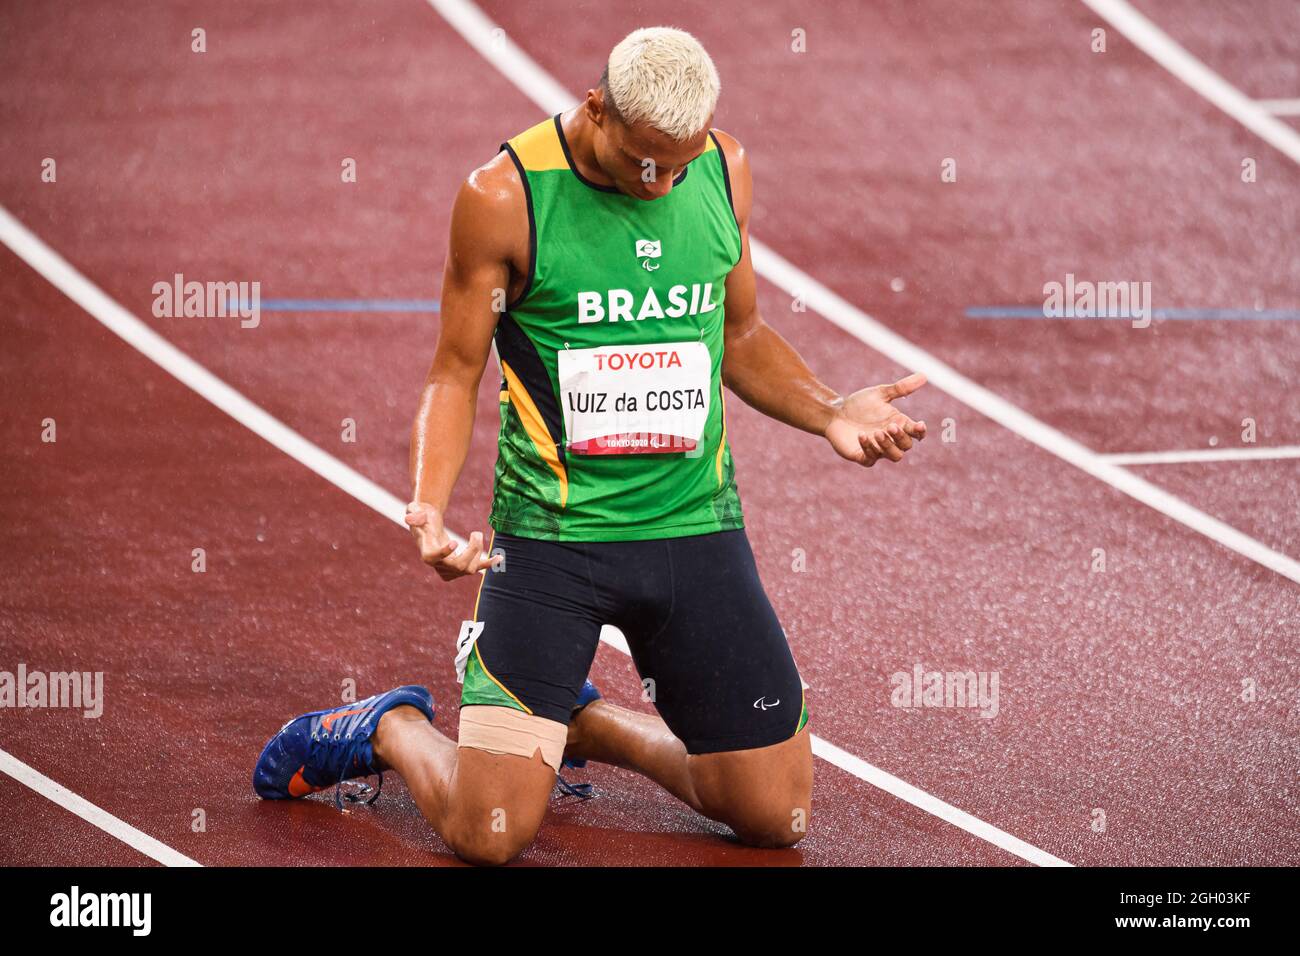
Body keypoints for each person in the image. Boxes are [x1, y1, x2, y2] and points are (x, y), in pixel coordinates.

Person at [253, 26, 926, 865]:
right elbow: (454, 373)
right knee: (488, 836)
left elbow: (743, 336)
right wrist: (428, 507)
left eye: (677, 166)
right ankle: (391, 727)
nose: (660, 184)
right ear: (596, 106)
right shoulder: (506, 196)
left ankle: (585, 722)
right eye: (645, 161)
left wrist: (828, 409)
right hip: (551, 548)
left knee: (774, 817)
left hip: (694, 530)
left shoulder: (723, 170)